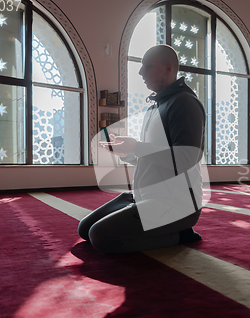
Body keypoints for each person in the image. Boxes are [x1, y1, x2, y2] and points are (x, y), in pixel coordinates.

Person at [78, 45, 206, 253]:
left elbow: (185, 160)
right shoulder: (156, 105)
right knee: (85, 229)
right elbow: (153, 157)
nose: (141, 73)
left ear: (167, 68)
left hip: (176, 204)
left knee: (101, 237)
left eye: (147, 66)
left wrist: (137, 147)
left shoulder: (184, 104)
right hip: (145, 195)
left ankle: (182, 234)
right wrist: (127, 152)